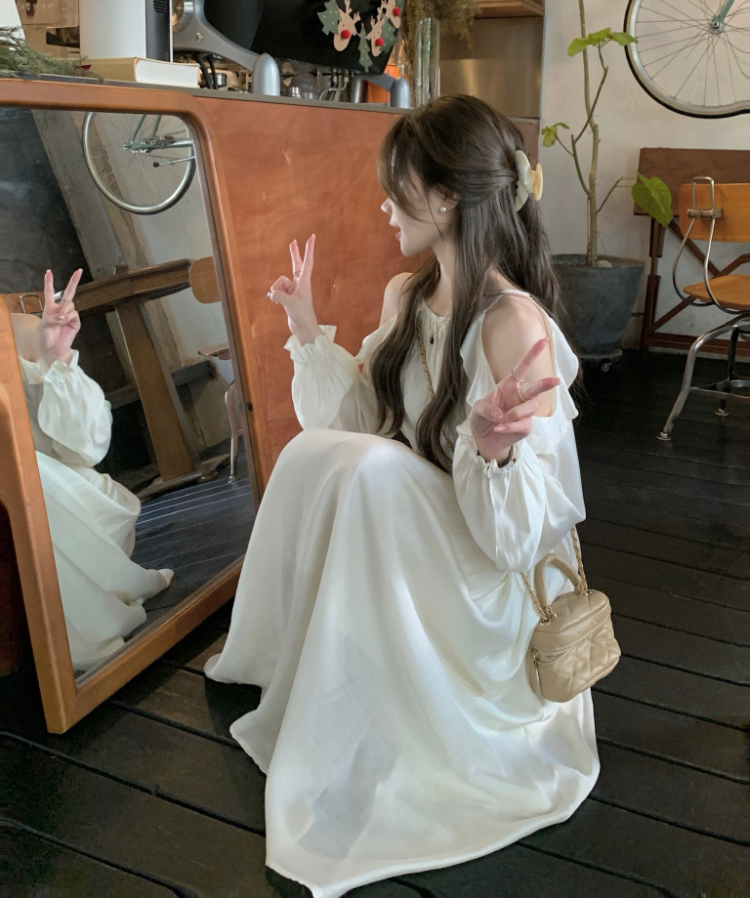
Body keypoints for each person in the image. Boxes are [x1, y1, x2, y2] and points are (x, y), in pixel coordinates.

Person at [205, 95, 598, 897]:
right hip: (423, 541)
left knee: (370, 471)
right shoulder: (405, 298)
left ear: (447, 197)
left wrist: (493, 454)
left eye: (399, 187)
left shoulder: (513, 326)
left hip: (490, 575)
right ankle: (312, 670)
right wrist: (306, 328)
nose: (385, 204)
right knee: (323, 456)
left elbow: (522, 539)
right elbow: (356, 427)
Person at [12, 269, 172, 671]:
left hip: (47, 482)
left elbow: (84, 448)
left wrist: (57, 359)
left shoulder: (14, 331)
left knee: (33, 475)